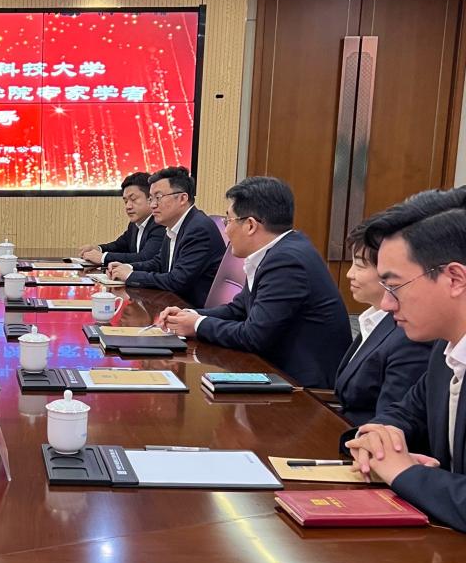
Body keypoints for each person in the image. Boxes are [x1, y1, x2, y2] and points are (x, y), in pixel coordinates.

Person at [345, 188, 466, 532]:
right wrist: (380, 437)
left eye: (394, 286)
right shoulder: (445, 349)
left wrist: (404, 472)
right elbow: (404, 413)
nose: (386, 304)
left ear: (454, 279)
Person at [157, 176, 351, 388]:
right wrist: (190, 315)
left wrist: (197, 325)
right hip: (277, 370)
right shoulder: (279, 251)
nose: (226, 230)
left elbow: (254, 336)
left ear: (250, 225)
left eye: (228, 221)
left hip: (303, 388)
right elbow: (238, 309)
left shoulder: (287, 261)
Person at [333, 222, 432, 425]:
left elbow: (391, 424)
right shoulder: (374, 319)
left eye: (360, 265)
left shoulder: (410, 334)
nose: (349, 274)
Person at [107, 166, 225, 307]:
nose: (153, 205)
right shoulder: (175, 225)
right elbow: (158, 263)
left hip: (192, 310)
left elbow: (177, 281)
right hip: (173, 305)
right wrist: (127, 267)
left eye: (158, 197)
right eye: (151, 198)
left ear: (182, 198)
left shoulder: (198, 229)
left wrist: (130, 276)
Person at [78, 172, 166, 266]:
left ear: (150, 198)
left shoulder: (160, 224)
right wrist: (98, 249)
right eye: (126, 201)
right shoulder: (135, 224)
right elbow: (119, 245)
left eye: (133, 199)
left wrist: (103, 257)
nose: (128, 206)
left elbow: (145, 257)